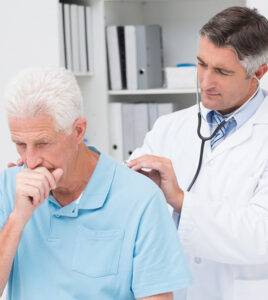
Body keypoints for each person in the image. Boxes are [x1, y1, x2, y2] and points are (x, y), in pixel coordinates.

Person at [0, 68, 193, 300]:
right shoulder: (10, 186)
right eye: (21, 144)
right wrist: (16, 220)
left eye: (43, 143)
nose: (30, 161)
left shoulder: (140, 198)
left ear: (78, 130)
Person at [127, 6, 268, 300]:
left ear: (259, 71)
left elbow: (260, 234)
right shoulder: (169, 127)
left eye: (222, 71)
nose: (205, 81)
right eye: (202, 64)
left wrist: (179, 200)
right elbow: (126, 195)